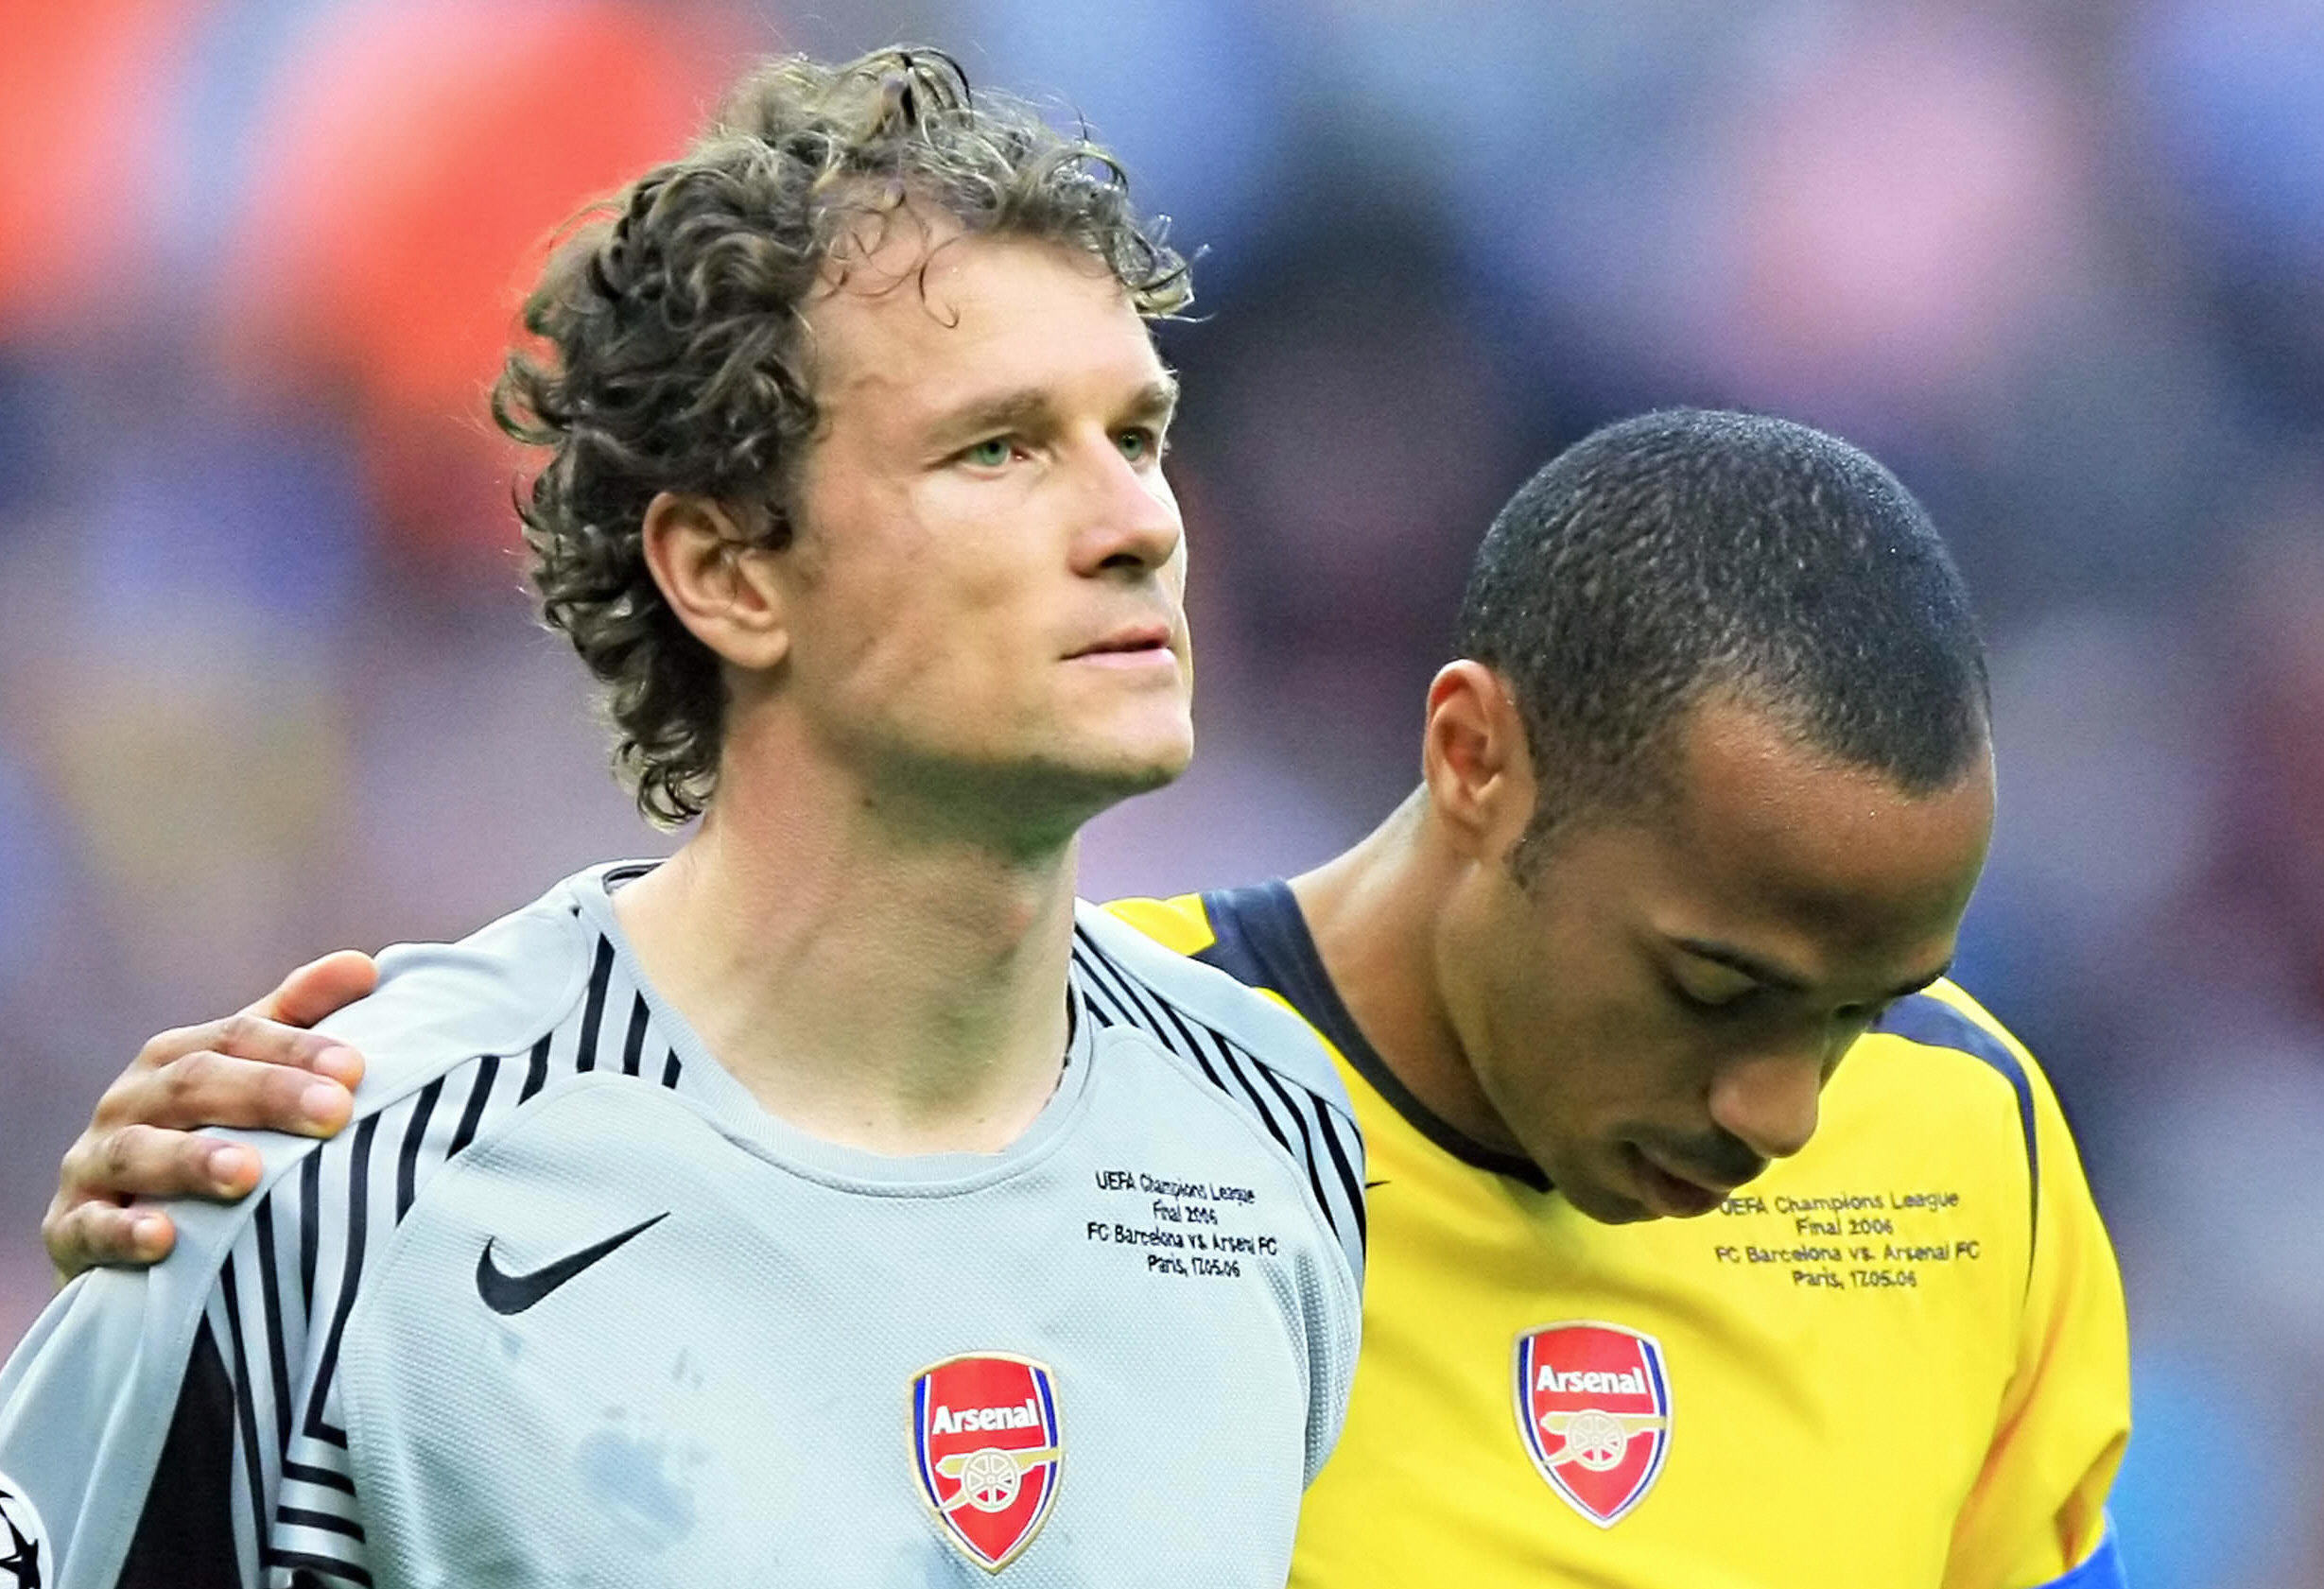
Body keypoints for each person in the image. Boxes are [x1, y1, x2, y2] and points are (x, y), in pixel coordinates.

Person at [39, 408, 2133, 1586]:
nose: (1782, 1102)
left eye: (1858, 1010)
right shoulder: (1055, 1105)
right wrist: (289, 1168)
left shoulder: (1970, 1146)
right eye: (1715, 989)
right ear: (1473, 758)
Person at [0, 48, 1368, 1589]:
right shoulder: (334, 1177)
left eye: (1137, 435)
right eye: (997, 447)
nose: (1138, 523)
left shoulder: (1271, 1130)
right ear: (727, 571)